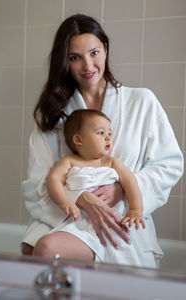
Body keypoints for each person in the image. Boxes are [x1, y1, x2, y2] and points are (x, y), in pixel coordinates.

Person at [21, 14, 183, 267]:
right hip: (67, 216)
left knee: (45, 249)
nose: (88, 65)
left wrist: (121, 191)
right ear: (64, 61)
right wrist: (79, 198)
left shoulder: (141, 102)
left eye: (94, 53)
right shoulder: (52, 113)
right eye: (75, 57)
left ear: (105, 49)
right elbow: (37, 182)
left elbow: (168, 165)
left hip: (120, 217)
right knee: (31, 246)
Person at [48, 108, 146, 230]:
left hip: (112, 217)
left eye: (109, 133)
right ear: (78, 140)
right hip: (78, 219)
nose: (108, 138)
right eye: (101, 133)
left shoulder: (112, 162)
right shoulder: (69, 162)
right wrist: (64, 201)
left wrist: (135, 210)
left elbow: (131, 183)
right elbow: (53, 180)